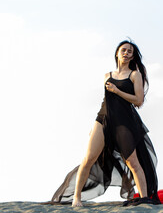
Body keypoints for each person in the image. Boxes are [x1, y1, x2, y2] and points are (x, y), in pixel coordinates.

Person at [49, 40, 159, 207]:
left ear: (132, 56)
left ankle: (144, 198)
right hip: (103, 120)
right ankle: (76, 198)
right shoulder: (107, 75)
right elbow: (105, 101)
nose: (126, 53)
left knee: (133, 162)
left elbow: (138, 101)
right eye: (123, 50)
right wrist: (95, 126)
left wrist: (117, 91)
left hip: (124, 122)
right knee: (88, 159)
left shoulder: (134, 75)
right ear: (117, 53)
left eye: (130, 51)